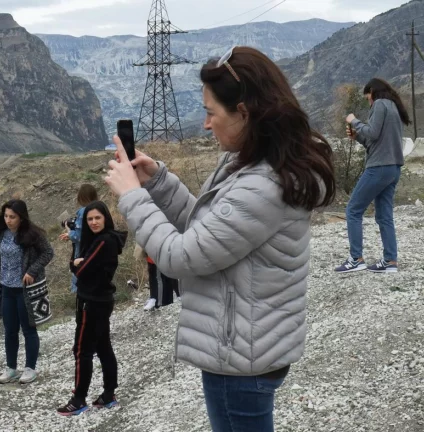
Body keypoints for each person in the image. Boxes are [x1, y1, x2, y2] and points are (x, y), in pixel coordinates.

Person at [104, 46, 336, 431]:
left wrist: (132, 197)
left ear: (244, 113)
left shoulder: (263, 185)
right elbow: (212, 230)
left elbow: (181, 256)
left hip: (240, 358)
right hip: (251, 346)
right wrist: (158, 182)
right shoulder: (255, 162)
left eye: (211, 113)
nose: (206, 125)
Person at [56, 201, 127, 416]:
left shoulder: (104, 241)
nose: (94, 222)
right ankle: (108, 395)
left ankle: (78, 399)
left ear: (105, 218)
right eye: (89, 219)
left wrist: (78, 263)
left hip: (92, 301)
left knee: (81, 350)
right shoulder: (97, 240)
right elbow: (77, 264)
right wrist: (77, 262)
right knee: (103, 346)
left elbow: (81, 270)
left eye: (97, 218)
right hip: (98, 299)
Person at [335, 77, 410, 274]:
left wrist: (354, 121)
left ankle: (356, 258)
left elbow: (373, 132)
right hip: (393, 168)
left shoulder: (379, 104)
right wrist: (357, 136)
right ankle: (390, 261)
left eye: (368, 97)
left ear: (373, 92)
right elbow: (374, 143)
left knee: (353, 210)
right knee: (384, 215)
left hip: (379, 168)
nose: (368, 102)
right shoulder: (393, 107)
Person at [0, 199, 54, 384]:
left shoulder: (33, 235)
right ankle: (10, 368)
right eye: (6, 216)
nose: (8, 220)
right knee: (9, 330)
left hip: (26, 290)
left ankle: (30, 368)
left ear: (21, 217)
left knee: (28, 329)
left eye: (12, 217)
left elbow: (48, 253)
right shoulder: (1, 234)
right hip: (6, 288)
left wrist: (32, 271)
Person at [59, 184, 99, 293]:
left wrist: (69, 231)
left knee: (80, 281)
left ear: (81, 197)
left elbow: (79, 236)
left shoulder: (83, 212)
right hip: (96, 249)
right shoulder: (99, 209)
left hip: (82, 252)